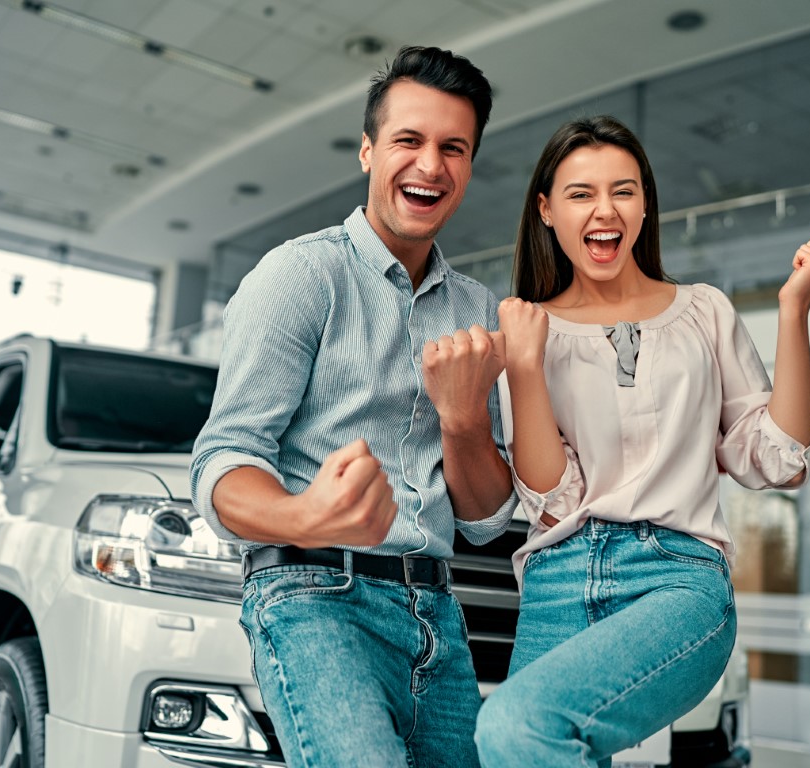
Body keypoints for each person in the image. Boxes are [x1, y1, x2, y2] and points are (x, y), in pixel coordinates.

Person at [474, 115, 810, 766]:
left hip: (677, 578)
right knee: (513, 743)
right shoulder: (527, 330)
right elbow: (553, 501)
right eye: (581, 193)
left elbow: (780, 460)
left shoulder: (704, 311)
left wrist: (794, 311)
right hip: (558, 579)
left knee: (514, 727)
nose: (604, 210)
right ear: (547, 210)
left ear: (645, 204)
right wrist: (525, 367)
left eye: (624, 190)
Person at [191, 46, 517, 768]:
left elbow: (488, 516)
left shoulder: (478, 312)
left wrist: (462, 418)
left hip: (439, 613)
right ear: (369, 151)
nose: (430, 165)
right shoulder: (300, 275)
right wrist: (304, 515)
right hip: (314, 596)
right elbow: (224, 457)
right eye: (409, 140)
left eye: (453, 148)